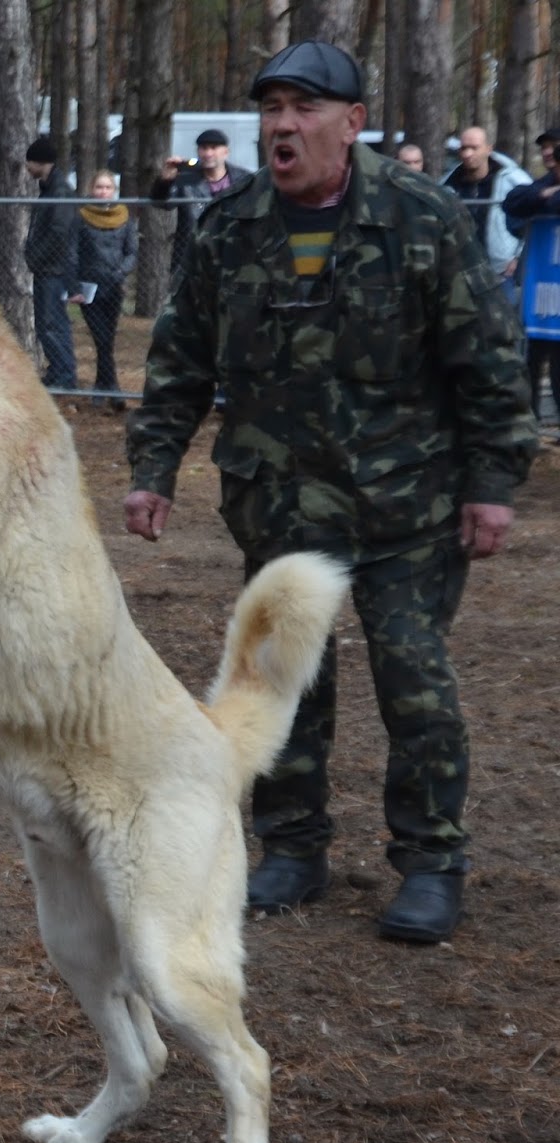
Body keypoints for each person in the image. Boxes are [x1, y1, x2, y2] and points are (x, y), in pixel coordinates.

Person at [124, 40, 536, 944]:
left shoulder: (421, 216)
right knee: (284, 682)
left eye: (304, 109)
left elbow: (488, 361)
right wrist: (153, 471)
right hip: (279, 504)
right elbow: (180, 361)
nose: (283, 126)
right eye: (271, 108)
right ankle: (292, 847)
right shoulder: (230, 228)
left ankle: (430, 862)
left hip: (407, 505)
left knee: (414, 682)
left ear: (351, 123)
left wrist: (492, 481)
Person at [504, 123, 560, 424]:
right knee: (533, 358)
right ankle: (530, 422)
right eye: (544, 147)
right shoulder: (542, 183)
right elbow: (513, 203)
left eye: (554, 146)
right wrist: (546, 194)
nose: (548, 152)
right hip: (543, 294)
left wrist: (545, 198)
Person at [68, 170, 137, 409]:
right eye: (99, 187)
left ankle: (102, 387)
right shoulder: (80, 217)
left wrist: (121, 272)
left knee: (106, 340)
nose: (103, 192)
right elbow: (72, 253)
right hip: (89, 287)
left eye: (108, 187)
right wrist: (73, 286)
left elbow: (132, 252)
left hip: (114, 286)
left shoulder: (125, 217)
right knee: (102, 339)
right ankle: (113, 390)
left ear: (114, 191)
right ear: (91, 190)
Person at [149, 126, 254, 277]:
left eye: (213, 148)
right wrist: (164, 181)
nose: (208, 153)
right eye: (204, 148)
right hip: (193, 255)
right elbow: (161, 203)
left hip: (233, 253)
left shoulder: (243, 179)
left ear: (226, 152)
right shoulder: (186, 178)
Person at [22, 136, 78, 391]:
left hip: (54, 270)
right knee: (47, 324)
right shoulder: (49, 189)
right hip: (47, 268)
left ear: (40, 162)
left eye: (29, 162)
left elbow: (59, 232)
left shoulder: (60, 191)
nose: (27, 167)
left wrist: (36, 256)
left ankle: (64, 375)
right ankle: (57, 371)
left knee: (53, 324)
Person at [442, 125, 529, 283]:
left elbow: (531, 222)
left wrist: (519, 257)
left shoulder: (514, 181)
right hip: (460, 274)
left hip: (503, 272)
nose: (467, 154)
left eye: (474, 148)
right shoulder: (447, 186)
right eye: (463, 148)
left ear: (489, 149)